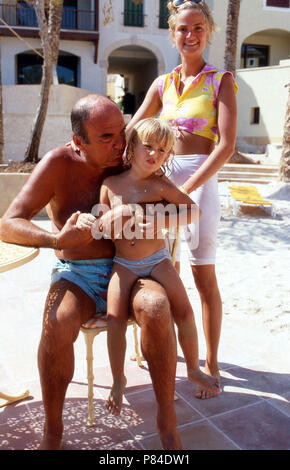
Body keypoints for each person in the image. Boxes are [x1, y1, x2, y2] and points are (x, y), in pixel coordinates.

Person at [0, 95, 182, 450]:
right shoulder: (58, 164)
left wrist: (138, 217)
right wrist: (56, 239)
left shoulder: (134, 159)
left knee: (157, 308)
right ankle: (53, 433)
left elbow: (179, 210)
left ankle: (167, 422)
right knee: (57, 323)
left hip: (131, 269)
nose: (120, 144)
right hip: (77, 273)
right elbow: (8, 223)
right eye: (106, 138)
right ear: (77, 141)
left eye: (122, 132)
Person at [126, 0, 238, 399]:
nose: (189, 36)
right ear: (172, 32)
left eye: (197, 29)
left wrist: (187, 190)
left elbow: (225, 146)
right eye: (182, 29)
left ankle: (211, 364)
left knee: (202, 275)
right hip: (162, 178)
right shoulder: (162, 83)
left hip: (200, 182)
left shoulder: (220, 80)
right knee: (161, 269)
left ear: (208, 31)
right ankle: (171, 351)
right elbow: (135, 127)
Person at [86, 117, 219, 416]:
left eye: (162, 150)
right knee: (115, 319)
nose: (154, 154)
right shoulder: (111, 184)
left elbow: (193, 211)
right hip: (124, 263)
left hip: (158, 260)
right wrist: (116, 216)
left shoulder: (160, 184)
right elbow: (102, 229)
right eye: (147, 146)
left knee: (184, 310)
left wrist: (162, 221)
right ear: (132, 146)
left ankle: (194, 369)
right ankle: (119, 379)